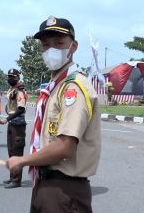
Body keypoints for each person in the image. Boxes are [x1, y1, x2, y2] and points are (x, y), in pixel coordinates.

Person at [6, 16, 101, 212]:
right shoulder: (55, 87)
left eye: (59, 43)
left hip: (64, 190)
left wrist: (22, 160)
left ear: (73, 46)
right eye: (46, 44)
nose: (51, 50)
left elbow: (65, 147)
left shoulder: (73, 88)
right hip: (46, 184)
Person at [0, 69, 28, 189]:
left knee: (16, 151)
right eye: (8, 77)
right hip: (12, 123)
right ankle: (12, 177)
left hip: (18, 124)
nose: (9, 79)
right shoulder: (12, 90)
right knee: (11, 151)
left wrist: (7, 119)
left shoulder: (20, 91)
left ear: (17, 78)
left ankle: (16, 180)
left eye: (12, 77)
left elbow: (21, 109)